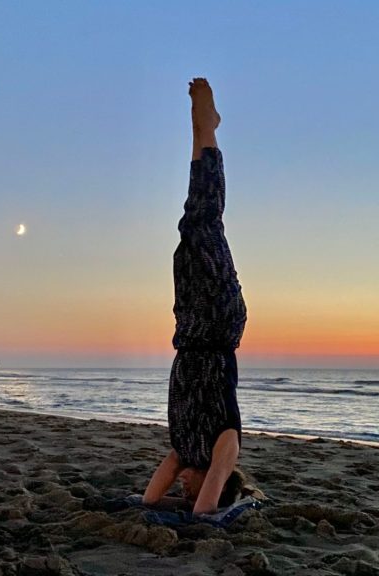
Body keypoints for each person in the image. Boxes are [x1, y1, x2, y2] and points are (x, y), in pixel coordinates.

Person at [143, 78, 248, 515]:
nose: (184, 489)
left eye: (183, 492)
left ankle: (202, 130)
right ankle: (207, 129)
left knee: (190, 229)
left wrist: (174, 502)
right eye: (191, 490)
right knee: (204, 221)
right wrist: (205, 505)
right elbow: (206, 509)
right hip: (219, 323)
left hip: (188, 331)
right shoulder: (226, 448)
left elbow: (150, 500)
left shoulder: (184, 449)